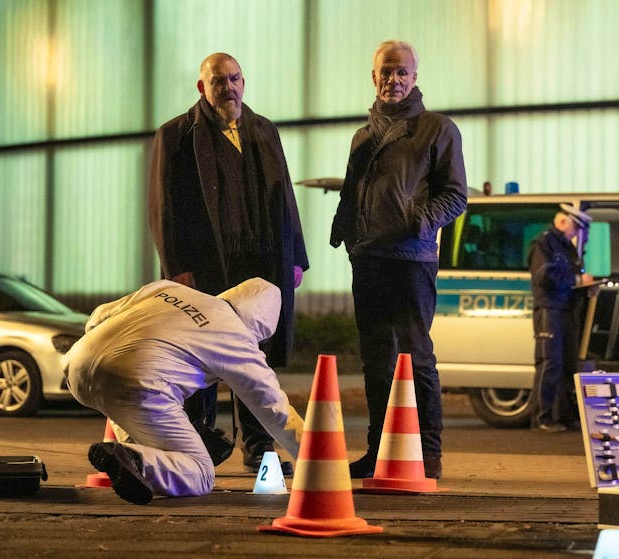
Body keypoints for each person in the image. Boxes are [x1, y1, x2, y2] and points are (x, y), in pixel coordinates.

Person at [147, 52, 309, 473]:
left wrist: (297, 256)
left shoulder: (263, 130)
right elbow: (163, 209)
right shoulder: (176, 135)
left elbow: (285, 195)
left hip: (260, 264)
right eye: (219, 81)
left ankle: (258, 448)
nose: (229, 88)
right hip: (205, 268)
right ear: (203, 87)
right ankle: (198, 443)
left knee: (254, 358)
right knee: (201, 353)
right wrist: (176, 266)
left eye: (235, 79)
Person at [330, 40, 467, 480]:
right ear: (374, 77)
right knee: (376, 362)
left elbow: (456, 196)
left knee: (417, 358)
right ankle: (377, 450)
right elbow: (353, 191)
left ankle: (429, 454)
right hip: (368, 258)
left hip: (412, 258)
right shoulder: (362, 136)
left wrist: (418, 222)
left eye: (402, 72)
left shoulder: (436, 128)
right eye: (387, 71)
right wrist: (343, 229)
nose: (394, 79)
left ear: (415, 77)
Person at [64, 278, 305, 505]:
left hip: (76, 366)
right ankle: (138, 460)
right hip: (137, 387)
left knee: (136, 410)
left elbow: (98, 316)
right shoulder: (236, 336)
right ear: (259, 327)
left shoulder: (170, 289)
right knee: (200, 473)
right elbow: (273, 408)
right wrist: (316, 458)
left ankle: (133, 458)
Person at [528, 204, 596, 432]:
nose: (576, 234)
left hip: (564, 309)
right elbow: (545, 276)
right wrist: (578, 280)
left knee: (567, 365)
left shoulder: (565, 246)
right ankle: (542, 417)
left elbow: (569, 277)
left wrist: (587, 287)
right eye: (575, 228)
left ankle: (563, 416)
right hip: (550, 309)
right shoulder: (544, 243)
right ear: (563, 221)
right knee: (550, 364)